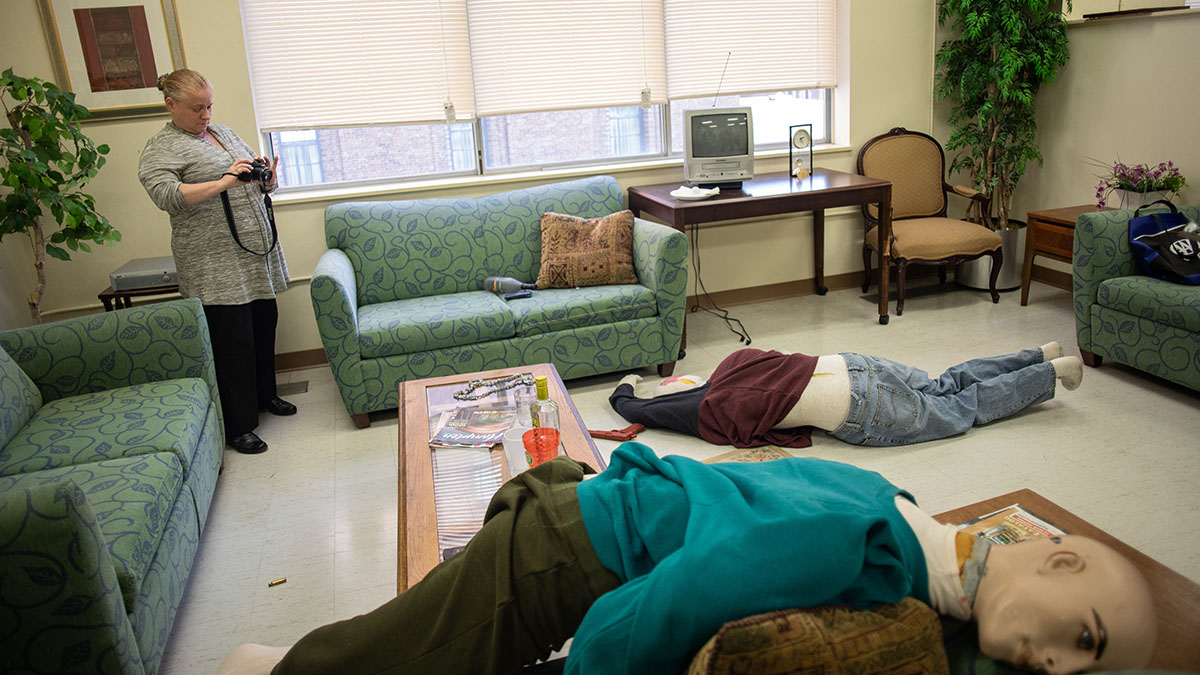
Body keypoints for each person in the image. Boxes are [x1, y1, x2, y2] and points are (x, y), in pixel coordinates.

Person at [217, 442, 1156, 675]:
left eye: (1085, 665)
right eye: (1085, 636)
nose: (1062, 662)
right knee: (390, 661)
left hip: (589, 514)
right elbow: (686, 592)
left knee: (420, 638)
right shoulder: (872, 549)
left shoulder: (897, 508)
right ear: (1053, 560)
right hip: (567, 551)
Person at [138, 69, 295, 454]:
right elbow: (166, 195)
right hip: (213, 262)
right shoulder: (162, 147)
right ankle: (239, 426)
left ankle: (264, 396)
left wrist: (267, 179)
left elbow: (249, 176)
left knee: (263, 325)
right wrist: (224, 182)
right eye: (196, 108)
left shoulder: (223, 133)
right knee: (232, 342)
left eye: (209, 106)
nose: (205, 114)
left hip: (252, 255)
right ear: (170, 104)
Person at [609, 342, 1085, 448]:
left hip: (859, 406)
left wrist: (629, 394)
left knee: (960, 409)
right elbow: (661, 393)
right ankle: (1037, 354)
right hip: (851, 364)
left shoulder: (713, 408)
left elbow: (634, 408)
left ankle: (1051, 374)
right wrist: (643, 383)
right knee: (944, 383)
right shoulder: (738, 362)